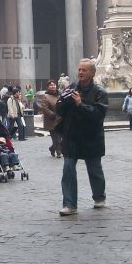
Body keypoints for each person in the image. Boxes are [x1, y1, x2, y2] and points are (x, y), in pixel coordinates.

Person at [56, 58, 108, 216]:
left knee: (95, 170)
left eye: (84, 70)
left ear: (92, 73)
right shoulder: (71, 89)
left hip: (91, 137)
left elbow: (98, 115)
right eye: (79, 69)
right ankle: (70, 204)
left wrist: (80, 104)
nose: (80, 72)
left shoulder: (100, 93)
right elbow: (60, 110)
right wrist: (62, 101)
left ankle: (99, 197)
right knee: (68, 169)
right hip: (72, 136)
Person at [37, 79, 62, 157]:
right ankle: (58, 151)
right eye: (51, 85)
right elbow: (44, 108)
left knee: (60, 137)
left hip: (61, 119)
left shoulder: (60, 95)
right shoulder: (45, 96)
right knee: (55, 138)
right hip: (51, 120)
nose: (53, 86)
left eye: (54, 85)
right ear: (48, 87)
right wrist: (53, 114)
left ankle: (52, 148)